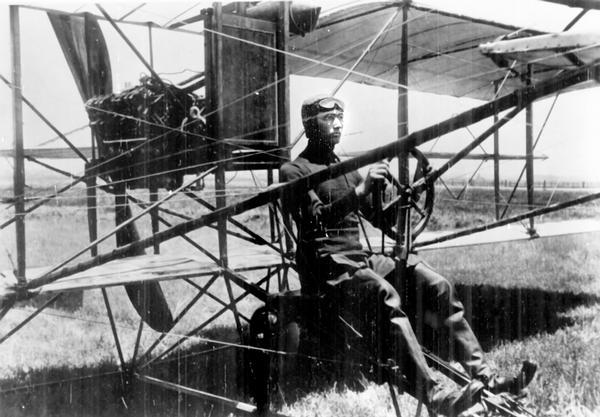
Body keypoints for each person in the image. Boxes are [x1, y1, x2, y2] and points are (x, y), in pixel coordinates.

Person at [280, 94, 535, 416]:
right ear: (308, 124)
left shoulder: (345, 169)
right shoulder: (294, 170)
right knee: (385, 294)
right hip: (325, 267)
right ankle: (437, 394)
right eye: (328, 119)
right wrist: (361, 192)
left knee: (437, 284)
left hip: (358, 260)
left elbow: (382, 221)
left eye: (340, 117)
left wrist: (398, 198)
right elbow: (313, 220)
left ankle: (485, 375)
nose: (338, 124)